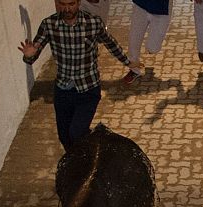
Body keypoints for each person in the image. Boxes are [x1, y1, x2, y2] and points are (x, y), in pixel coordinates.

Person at [19, 0, 136, 150]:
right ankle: (78, 162)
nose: (67, 8)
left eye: (71, 4)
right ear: (56, 3)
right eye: (62, 4)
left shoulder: (93, 22)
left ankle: (93, 153)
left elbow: (110, 43)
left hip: (88, 89)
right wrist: (29, 55)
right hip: (63, 90)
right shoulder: (49, 25)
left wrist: (127, 62)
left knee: (76, 132)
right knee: (64, 136)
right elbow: (33, 53)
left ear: (79, 3)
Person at [122, 0, 174, 84]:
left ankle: (151, 48)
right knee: (134, 38)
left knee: (153, 48)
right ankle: (134, 70)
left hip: (162, 10)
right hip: (141, 6)